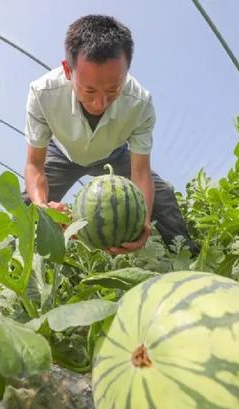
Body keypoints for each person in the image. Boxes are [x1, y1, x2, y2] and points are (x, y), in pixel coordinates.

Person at [22, 14, 197, 256]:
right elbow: (34, 165)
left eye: (114, 89)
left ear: (126, 72)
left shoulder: (140, 103)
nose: (100, 102)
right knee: (26, 208)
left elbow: (140, 171)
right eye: (89, 90)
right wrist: (44, 208)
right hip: (62, 154)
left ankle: (188, 260)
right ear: (68, 70)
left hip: (113, 155)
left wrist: (143, 220)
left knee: (163, 195)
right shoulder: (42, 93)